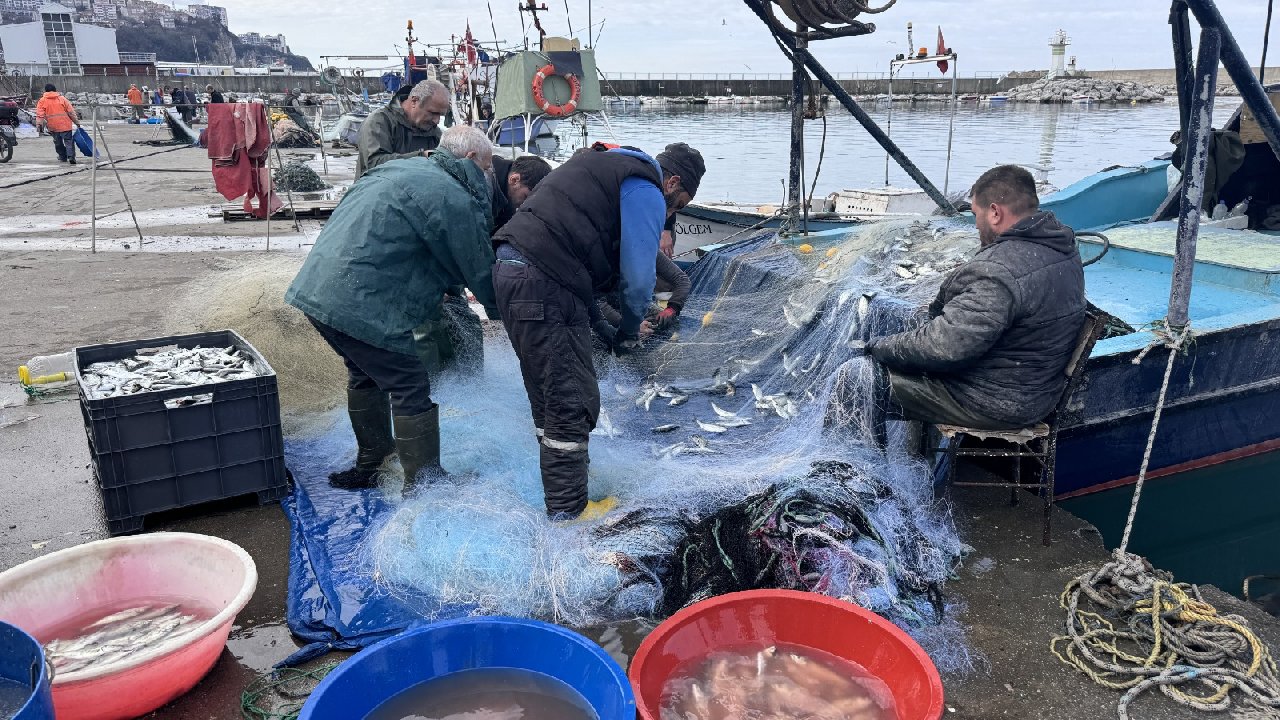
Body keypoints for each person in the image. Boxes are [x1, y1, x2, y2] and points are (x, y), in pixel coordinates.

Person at [492, 142, 706, 520]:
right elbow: (638, 283)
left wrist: (604, 327)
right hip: (544, 282)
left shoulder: (600, 168)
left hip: (510, 273)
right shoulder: (645, 188)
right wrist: (628, 332)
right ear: (672, 182)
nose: (672, 213)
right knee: (572, 400)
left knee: (546, 393)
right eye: (679, 204)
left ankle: (565, 484)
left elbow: (577, 274)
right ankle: (570, 513)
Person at [284, 126, 499, 492]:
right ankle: (426, 483)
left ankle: (372, 463)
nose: (489, 174)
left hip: (316, 291)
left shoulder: (398, 169)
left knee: (365, 373)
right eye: (488, 166)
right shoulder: (454, 196)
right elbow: (480, 271)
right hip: (358, 302)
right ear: (470, 159)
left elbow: (409, 240)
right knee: (410, 385)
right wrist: (511, 311)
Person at [865, 164, 1086, 430]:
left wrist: (878, 347)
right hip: (1034, 390)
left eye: (975, 215)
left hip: (993, 400)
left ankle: (851, 459)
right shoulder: (1062, 247)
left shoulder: (997, 271)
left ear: (995, 212)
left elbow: (946, 348)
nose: (977, 225)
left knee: (857, 379)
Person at [354, 79, 450, 180]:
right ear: (414, 101)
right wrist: (422, 156)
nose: (437, 120)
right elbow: (374, 163)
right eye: (433, 113)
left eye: (440, 115)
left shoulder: (433, 131)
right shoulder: (379, 122)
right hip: (376, 188)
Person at [594, 252, 691, 340]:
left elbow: (682, 280)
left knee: (669, 323)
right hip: (602, 310)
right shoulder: (603, 254)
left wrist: (672, 308)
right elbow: (597, 302)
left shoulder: (650, 250)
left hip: (634, 304)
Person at [490, 154, 553, 232]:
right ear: (514, 180)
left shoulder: (509, 197)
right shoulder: (482, 189)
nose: (525, 205)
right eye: (525, 197)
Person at [34, 84, 79, 165]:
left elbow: (40, 115)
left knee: (58, 142)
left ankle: (62, 156)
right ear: (55, 90)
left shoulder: (42, 101)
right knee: (68, 141)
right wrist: (76, 122)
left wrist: (39, 125)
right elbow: (71, 112)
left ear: (45, 91)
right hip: (65, 125)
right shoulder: (62, 99)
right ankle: (71, 157)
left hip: (53, 126)